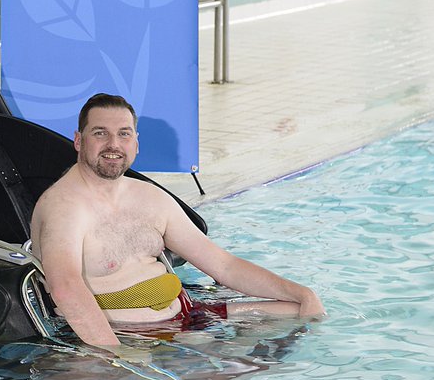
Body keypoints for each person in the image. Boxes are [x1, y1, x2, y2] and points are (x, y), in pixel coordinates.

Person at [30, 93, 325, 347]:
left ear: (136, 143)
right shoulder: (64, 206)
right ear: (79, 141)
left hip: (187, 316)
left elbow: (223, 265)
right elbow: (65, 287)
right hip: (129, 337)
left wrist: (302, 292)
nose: (113, 144)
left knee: (303, 310)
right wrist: (113, 356)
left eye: (124, 133)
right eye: (100, 133)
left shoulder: (150, 197)